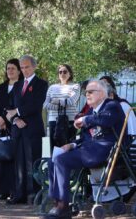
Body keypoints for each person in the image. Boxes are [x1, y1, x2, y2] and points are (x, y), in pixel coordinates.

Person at [44, 80, 126, 219]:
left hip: (103, 151)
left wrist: (85, 120)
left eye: (90, 91)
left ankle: (63, 206)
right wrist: (72, 145)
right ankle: (57, 201)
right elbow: (85, 136)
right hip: (88, 149)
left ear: (102, 94)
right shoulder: (91, 111)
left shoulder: (112, 105)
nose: (86, 94)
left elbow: (106, 120)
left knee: (61, 160)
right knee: (53, 160)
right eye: (86, 92)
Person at [5, 55, 48, 204]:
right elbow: (9, 109)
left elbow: (35, 106)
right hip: (18, 130)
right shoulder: (17, 85)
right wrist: (16, 119)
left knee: (33, 164)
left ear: (34, 67)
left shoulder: (41, 84)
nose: (24, 70)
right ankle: (19, 195)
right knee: (19, 164)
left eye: (27, 67)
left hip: (33, 131)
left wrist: (17, 112)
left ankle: (34, 196)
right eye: (22, 68)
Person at [0, 58, 23, 200]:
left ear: (19, 70)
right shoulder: (2, 86)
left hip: (16, 125)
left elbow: (18, 106)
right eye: (8, 68)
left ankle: (14, 189)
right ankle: (4, 190)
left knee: (15, 158)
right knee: (3, 158)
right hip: (2, 126)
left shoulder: (22, 85)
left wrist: (5, 119)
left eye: (13, 68)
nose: (10, 71)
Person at [43, 64, 80, 149]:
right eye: (60, 72)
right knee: (54, 148)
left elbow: (71, 101)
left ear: (69, 74)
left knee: (68, 148)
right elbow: (45, 104)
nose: (62, 74)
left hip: (69, 121)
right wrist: (61, 104)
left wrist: (55, 101)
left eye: (65, 72)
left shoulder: (75, 86)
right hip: (53, 121)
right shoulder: (52, 87)